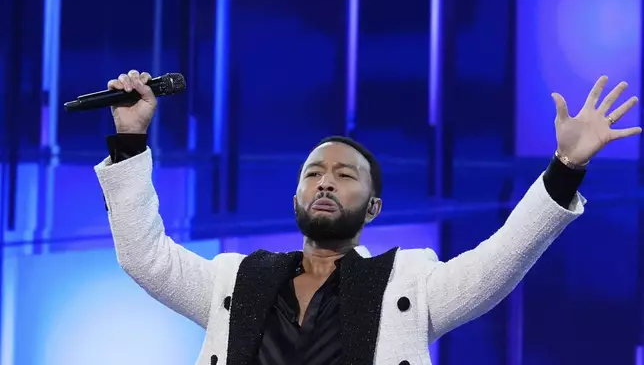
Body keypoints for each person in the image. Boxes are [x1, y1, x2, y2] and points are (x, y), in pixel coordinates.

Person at [95, 70, 640, 365]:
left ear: (373, 208)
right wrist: (129, 136)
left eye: (345, 174)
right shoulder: (235, 279)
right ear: (296, 200)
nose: (326, 180)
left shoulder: (408, 284)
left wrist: (565, 166)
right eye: (313, 173)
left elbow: (500, 260)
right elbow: (145, 256)